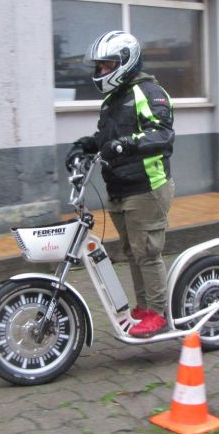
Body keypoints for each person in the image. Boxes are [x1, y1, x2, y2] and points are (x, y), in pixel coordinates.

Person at [66, 31, 175, 338]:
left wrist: (125, 145)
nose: (100, 72)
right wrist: (84, 146)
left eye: (105, 65)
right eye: (98, 67)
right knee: (133, 252)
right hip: (119, 188)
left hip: (146, 187)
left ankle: (157, 312)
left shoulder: (150, 92)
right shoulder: (113, 100)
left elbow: (162, 135)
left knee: (148, 253)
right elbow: (105, 139)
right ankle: (144, 308)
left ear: (125, 63)